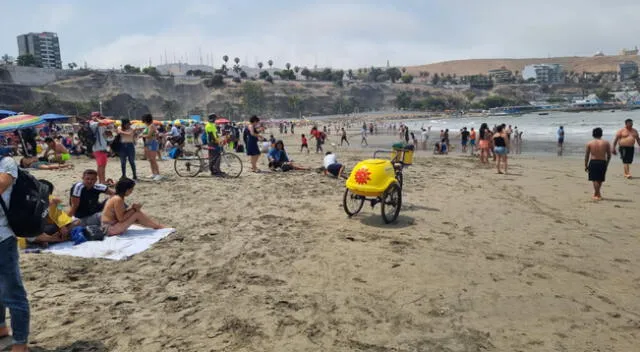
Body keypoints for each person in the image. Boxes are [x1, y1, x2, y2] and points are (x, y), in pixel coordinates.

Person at [0, 156, 30, 352]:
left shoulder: (6, 162)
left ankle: (20, 343)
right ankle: (1, 328)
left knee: (13, 292)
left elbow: (2, 185)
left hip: (3, 238)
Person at [585, 128, 611, 201]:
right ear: (601, 134)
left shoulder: (590, 143)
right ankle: (597, 194)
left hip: (593, 162)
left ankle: (596, 194)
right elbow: (609, 155)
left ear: (593, 134)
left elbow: (587, 155)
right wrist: (607, 163)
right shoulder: (606, 143)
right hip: (603, 162)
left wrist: (585, 165)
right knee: (600, 178)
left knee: (594, 179)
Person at [89, 112, 111, 184]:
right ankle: (102, 181)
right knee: (101, 166)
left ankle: (102, 180)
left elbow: (106, 136)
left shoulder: (99, 125)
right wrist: (98, 120)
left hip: (101, 148)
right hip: (98, 148)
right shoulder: (93, 123)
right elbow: (105, 123)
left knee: (102, 166)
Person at [141, 114, 161, 181]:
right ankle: (153, 173)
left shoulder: (152, 126)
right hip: (148, 143)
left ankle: (158, 174)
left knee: (153, 159)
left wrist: (142, 135)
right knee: (150, 159)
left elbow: (149, 135)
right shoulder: (148, 126)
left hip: (152, 143)